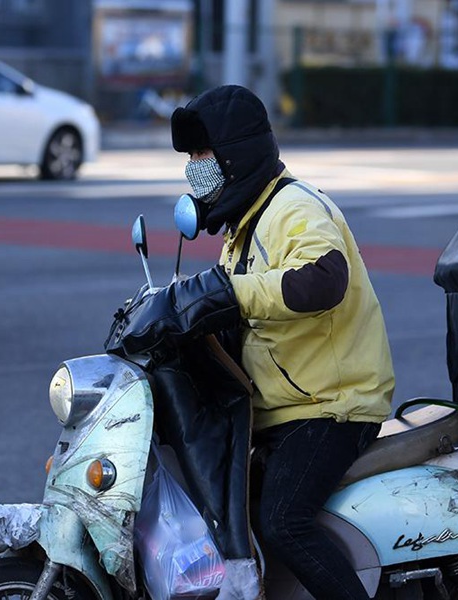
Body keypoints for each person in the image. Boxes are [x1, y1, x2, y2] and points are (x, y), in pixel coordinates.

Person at [160, 84, 395, 599]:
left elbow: (322, 277)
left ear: (236, 155)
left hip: (332, 406)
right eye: (192, 157)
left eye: (203, 155)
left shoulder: (294, 208)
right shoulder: (244, 228)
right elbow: (233, 314)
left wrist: (229, 294)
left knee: (282, 521)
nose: (194, 168)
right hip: (286, 407)